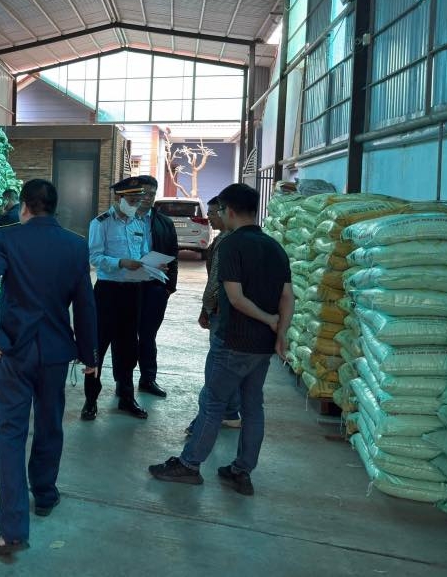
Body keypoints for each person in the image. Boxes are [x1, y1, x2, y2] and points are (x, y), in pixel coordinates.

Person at [0, 178, 97, 557]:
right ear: (54, 208)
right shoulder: (75, 245)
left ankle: (12, 531)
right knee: (49, 423)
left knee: (10, 434)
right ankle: (44, 493)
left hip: (14, 351)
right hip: (56, 353)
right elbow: (85, 304)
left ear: (24, 206)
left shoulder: (9, 238)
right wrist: (89, 356)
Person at [149, 183, 294, 496]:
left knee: (213, 403)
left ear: (229, 211)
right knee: (253, 407)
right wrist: (280, 331)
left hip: (233, 341)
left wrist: (269, 319)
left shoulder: (231, 245)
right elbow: (287, 296)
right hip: (262, 346)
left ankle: (189, 465)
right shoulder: (274, 247)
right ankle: (241, 471)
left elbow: (236, 298)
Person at [82, 175, 177, 422]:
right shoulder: (101, 223)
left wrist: (154, 265)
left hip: (133, 293)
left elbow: (143, 253)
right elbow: (94, 257)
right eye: (132, 200)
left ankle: (126, 397)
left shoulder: (139, 224)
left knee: (128, 348)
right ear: (119, 198)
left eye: (139, 199)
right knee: (98, 346)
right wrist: (121, 262)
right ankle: (90, 400)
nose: (137, 204)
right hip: (108, 292)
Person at [185, 196, 240, 436]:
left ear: (228, 212)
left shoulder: (229, 242)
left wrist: (208, 307)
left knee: (216, 368)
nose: (209, 217)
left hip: (222, 312)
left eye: (213, 212)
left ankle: (205, 422)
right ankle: (230, 413)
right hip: (222, 311)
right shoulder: (223, 238)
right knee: (227, 366)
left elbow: (218, 281)